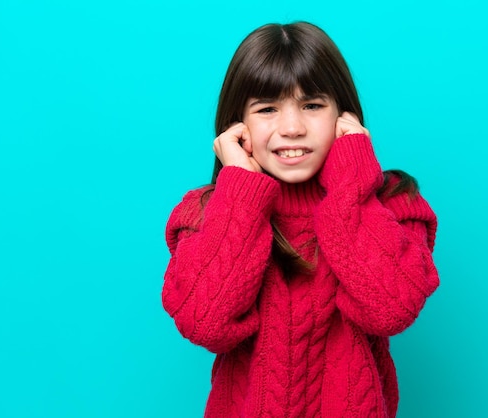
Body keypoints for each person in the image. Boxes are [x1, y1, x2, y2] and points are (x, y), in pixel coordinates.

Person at [162, 21, 440, 417]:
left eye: (311, 105)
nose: (292, 128)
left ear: (343, 116)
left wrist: (350, 187)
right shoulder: (207, 214)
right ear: (236, 125)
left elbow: (392, 309)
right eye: (267, 109)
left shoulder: (393, 205)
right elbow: (205, 324)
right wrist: (240, 192)